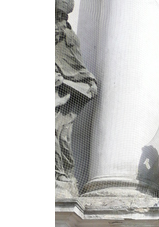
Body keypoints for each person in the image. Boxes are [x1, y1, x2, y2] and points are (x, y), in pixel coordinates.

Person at [55, 0, 98, 187]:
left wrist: (89, 81)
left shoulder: (68, 39)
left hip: (60, 97)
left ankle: (62, 171)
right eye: (55, 16)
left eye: (61, 17)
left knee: (60, 136)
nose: (58, 21)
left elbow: (76, 65)